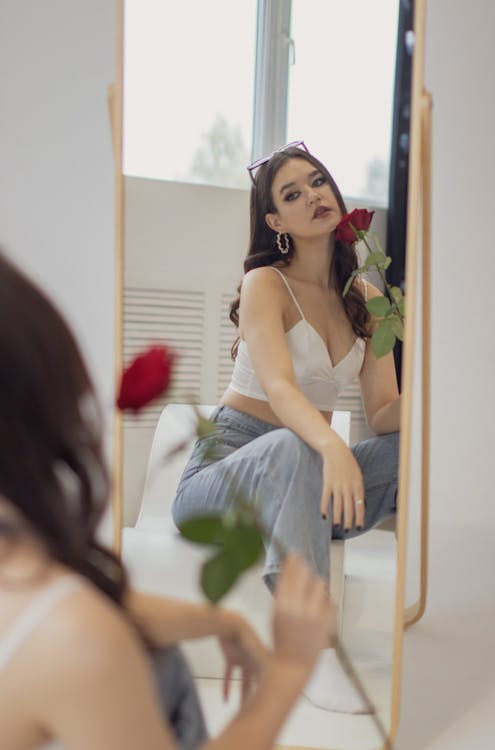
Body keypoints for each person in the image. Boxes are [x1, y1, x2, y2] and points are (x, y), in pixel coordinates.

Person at [0, 250, 333, 750]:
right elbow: (82, 626)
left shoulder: (42, 596)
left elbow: (101, 608)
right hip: (236, 448)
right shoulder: (70, 637)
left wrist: (223, 619)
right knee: (158, 663)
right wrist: (289, 672)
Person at [171, 142, 400, 714]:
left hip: (309, 473)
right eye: (292, 194)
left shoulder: (366, 298)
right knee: (288, 451)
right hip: (228, 467)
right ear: (276, 221)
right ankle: (313, 653)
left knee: (412, 452)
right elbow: (278, 388)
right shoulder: (265, 284)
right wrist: (329, 444)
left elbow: (386, 414)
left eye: (318, 182)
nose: (314, 196)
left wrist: (457, 410)